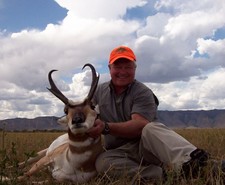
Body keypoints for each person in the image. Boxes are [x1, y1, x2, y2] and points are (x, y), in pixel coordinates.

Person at [87, 46, 216, 183]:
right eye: (118, 67)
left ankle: (198, 163)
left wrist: (105, 127)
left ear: (135, 69)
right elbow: (85, 112)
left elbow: (139, 125)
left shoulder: (143, 92)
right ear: (109, 68)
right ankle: (161, 175)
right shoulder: (99, 91)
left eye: (128, 67)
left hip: (147, 148)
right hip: (118, 152)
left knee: (149, 128)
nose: (123, 72)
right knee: (102, 163)